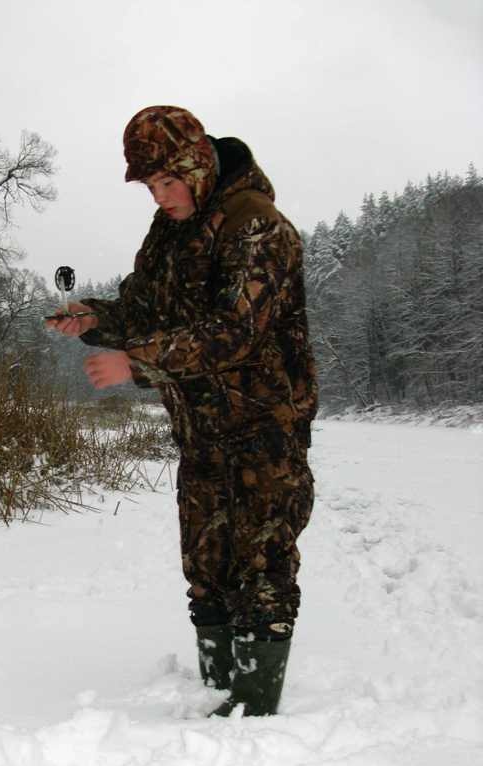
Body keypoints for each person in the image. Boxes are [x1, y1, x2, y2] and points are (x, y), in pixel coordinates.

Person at [47, 105, 317, 717]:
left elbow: (234, 333)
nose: (161, 196)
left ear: (196, 166)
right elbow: (140, 308)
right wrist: (93, 319)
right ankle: (215, 695)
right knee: (207, 569)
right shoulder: (168, 233)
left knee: (261, 567)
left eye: (169, 182)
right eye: (150, 186)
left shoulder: (257, 226)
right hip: (201, 432)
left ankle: (253, 713)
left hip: (263, 427)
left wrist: (134, 365)